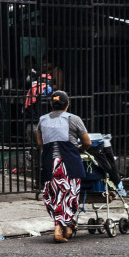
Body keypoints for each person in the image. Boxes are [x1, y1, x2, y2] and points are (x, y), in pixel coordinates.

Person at [36, 91, 91, 243]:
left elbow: (40, 143)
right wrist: (79, 149)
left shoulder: (42, 120)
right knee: (68, 196)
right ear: (68, 104)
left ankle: (66, 227)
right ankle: (58, 230)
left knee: (54, 197)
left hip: (49, 164)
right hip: (69, 164)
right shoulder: (74, 119)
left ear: (51, 104)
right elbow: (87, 142)